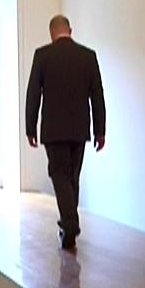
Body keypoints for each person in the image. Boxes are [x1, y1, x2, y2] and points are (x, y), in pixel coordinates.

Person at [26, 15, 106, 249]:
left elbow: (33, 94)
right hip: (80, 129)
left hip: (53, 130)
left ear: (51, 33)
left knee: (59, 175)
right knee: (72, 177)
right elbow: (97, 95)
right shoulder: (88, 56)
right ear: (70, 30)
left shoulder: (43, 55)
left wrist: (30, 127)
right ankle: (69, 226)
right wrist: (100, 130)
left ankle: (70, 224)